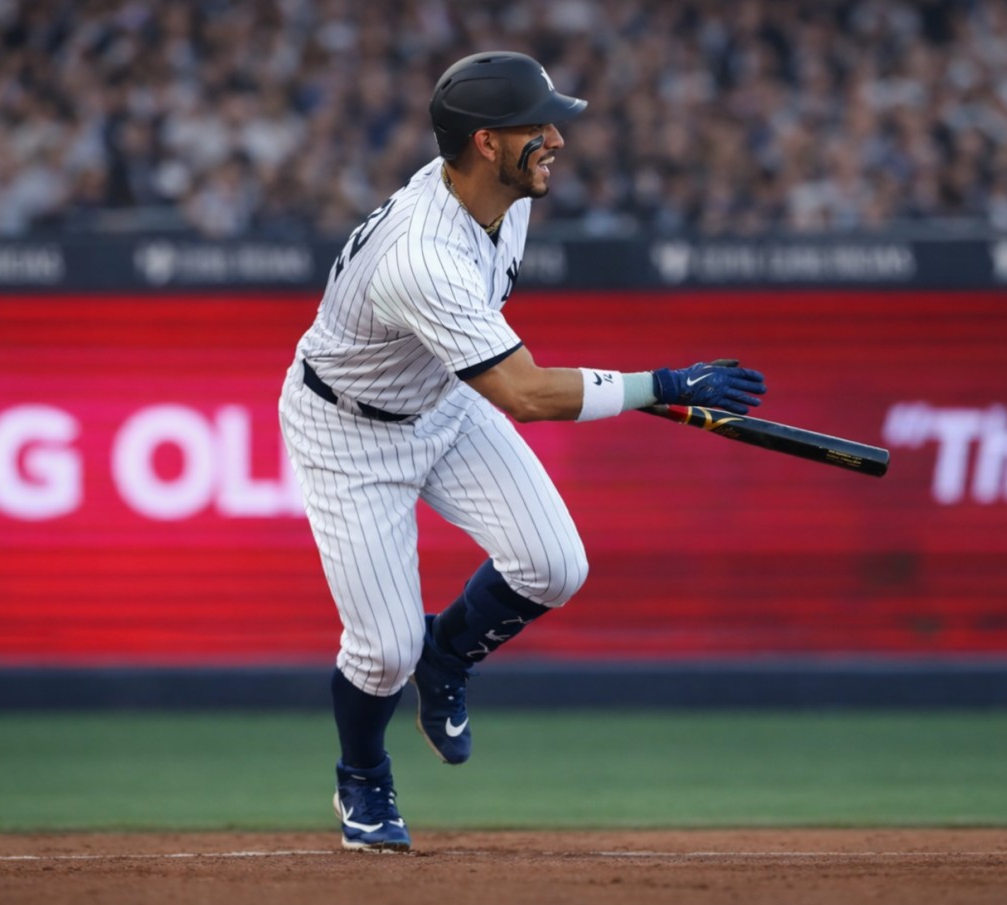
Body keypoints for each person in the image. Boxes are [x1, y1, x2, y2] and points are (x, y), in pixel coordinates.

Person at [278, 50, 766, 853]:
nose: (556, 140)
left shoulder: (506, 194)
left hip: (440, 400)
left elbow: (503, 372)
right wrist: (665, 381)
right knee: (382, 648)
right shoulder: (424, 256)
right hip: (349, 431)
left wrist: (645, 383)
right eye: (536, 128)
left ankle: (447, 656)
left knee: (554, 565)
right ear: (483, 144)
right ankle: (362, 774)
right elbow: (526, 394)